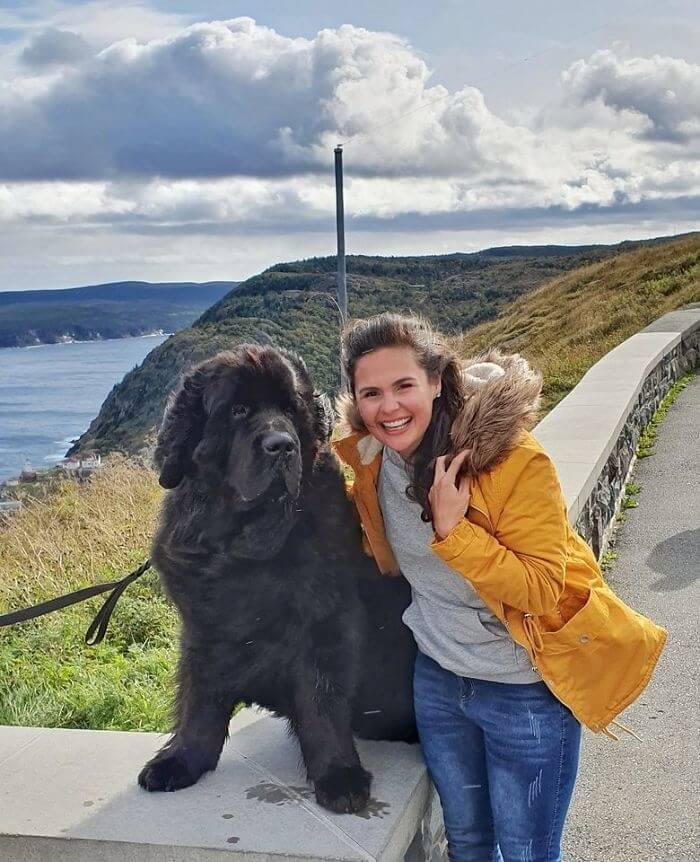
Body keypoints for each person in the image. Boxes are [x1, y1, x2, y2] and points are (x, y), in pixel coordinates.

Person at [332, 312, 666, 862]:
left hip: (523, 690)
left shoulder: (512, 461)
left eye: (403, 386)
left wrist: (454, 531)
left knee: (528, 852)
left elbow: (540, 588)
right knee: (467, 844)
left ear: (437, 382)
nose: (388, 407)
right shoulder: (372, 462)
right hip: (438, 682)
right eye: (371, 392)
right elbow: (367, 544)